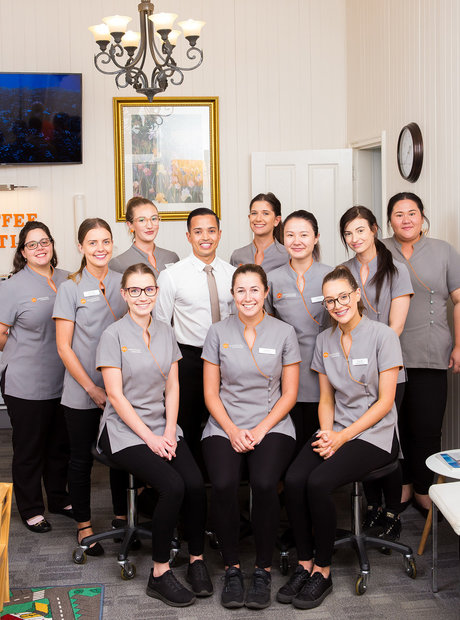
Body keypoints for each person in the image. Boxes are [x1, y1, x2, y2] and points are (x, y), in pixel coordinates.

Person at [278, 265, 402, 610]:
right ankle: (304, 563)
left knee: (318, 483)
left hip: (373, 434)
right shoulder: (324, 340)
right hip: (336, 429)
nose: (337, 305)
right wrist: (327, 433)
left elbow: (386, 401)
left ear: (357, 295)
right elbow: (327, 399)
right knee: (294, 478)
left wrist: (343, 437)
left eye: (343, 297)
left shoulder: (382, 336)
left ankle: (323, 570)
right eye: (330, 300)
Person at [97, 263, 212, 607]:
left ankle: (196, 560)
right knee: (172, 486)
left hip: (162, 426)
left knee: (195, 483)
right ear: (124, 294)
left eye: (149, 289)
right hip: (123, 430)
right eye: (134, 290)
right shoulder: (112, 335)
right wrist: (150, 437)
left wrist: (168, 431)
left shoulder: (165, 331)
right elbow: (115, 396)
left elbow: (173, 387)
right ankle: (160, 572)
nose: (142, 296)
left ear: (157, 293)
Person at [202, 264, 300, 610]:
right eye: (240, 291)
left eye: (254, 290)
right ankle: (231, 568)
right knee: (225, 484)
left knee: (262, 483)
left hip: (271, 424)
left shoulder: (285, 332)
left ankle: (262, 569)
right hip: (224, 424)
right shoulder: (217, 332)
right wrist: (231, 430)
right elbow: (211, 394)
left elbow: (289, 394)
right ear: (232, 294)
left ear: (266, 292)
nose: (247, 297)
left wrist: (259, 430)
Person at [53, 218, 127, 555]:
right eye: (93, 242)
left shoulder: (124, 283)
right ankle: (84, 525)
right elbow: (64, 347)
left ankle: (121, 518)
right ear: (81, 247)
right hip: (83, 392)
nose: (100, 248)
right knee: (82, 459)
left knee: (121, 456)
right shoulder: (70, 288)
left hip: (121, 393)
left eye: (106, 241)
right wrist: (93, 389)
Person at [383, 192, 460, 515]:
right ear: (389, 220)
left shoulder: (443, 251)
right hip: (388, 353)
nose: (406, 220)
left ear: (422, 215)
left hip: (431, 351)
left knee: (426, 427)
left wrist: (459, 344)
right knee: (393, 426)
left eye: (411, 213)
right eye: (398, 214)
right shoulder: (380, 249)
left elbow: (458, 300)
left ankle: (424, 488)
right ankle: (401, 487)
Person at [340, 205, 413, 535]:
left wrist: (370, 358)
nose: (355, 238)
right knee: (359, 439)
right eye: (348, 233)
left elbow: (395, 327)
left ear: (373, 230)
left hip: (387, 371)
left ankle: (393, 512)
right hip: (351, 375)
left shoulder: (396, 270)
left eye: (360, 230)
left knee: (384, 442)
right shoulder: (343, 271)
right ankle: (373, 508)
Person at [0, 221, 71, 532]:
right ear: (23, 252)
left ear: (53, 244)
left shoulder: (69, 279)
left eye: (45, 241)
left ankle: (57, 497)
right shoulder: (12, 286)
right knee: (30, 449)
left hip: (65, 381)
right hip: (25, 383)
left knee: (59, 446)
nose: (40, 247)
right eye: (32, 244)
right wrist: (20, 355)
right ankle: (31, 508)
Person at [156, 208, 235, 464]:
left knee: (225, 421)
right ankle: (189, 487)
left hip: (227, 356)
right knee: (187, 424)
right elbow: (160, 325)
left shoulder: (233, 275)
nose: (205, 237)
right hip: (188, 358)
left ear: (220, 234)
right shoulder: (171, 276)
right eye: (198, 231)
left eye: (211, 231)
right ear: (188, 236)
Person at [266, 210, 331, 453]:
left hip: (324, 366)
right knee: (290, 441)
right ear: (282, 239)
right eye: (290, 234)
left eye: (304, 234)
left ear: (316, 238)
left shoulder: (331, 275)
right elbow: (268, 326)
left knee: (317, 438)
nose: (297, 240)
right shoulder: (272, 279)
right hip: (287, 368)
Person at [109, 197, 179, 276]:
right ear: (130, 225)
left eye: (154, 219)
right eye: (142, 220)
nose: (149, 225)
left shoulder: (172, 257)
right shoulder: (119, 264)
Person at [230, 192, 289, 271]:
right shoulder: (238, 255)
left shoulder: (287, 255)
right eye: (254, 213)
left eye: (265, 213)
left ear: (276, 220)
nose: (258, 219)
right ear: (249, 217)